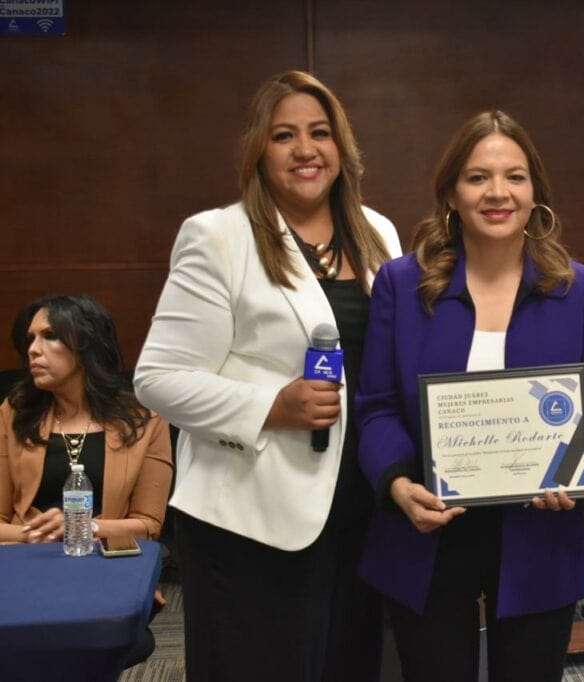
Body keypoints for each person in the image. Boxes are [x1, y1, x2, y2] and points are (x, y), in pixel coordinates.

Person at [133, 70, 401, 681]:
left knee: (348, 662)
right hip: (251, 513)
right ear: (259, 149)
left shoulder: (378, 232)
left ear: (343, 147)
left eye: (320, 133)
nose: (305, 150)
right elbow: (158, 377)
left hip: (358, 503)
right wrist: (270, 406)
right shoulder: (219, 236)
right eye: (285, 135)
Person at [356, 110, 584, 682]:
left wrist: (570, 466)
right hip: (427, 526)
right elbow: (374, 406)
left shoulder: (581, 291)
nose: (497, 192)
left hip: (539, 530)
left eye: (514, 177)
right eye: (477, 177)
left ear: (535, 192)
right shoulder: (402, 283)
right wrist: (399, 485)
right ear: (451, 192)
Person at [0, 294, 172, 545]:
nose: (33, 349)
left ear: (86, 346)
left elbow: (148, 525)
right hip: (28, 556)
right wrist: (44, 534)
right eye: (31, 339)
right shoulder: (15, 411)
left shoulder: (144, 419)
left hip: (107, 558)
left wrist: (81, 527)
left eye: (49, 336)